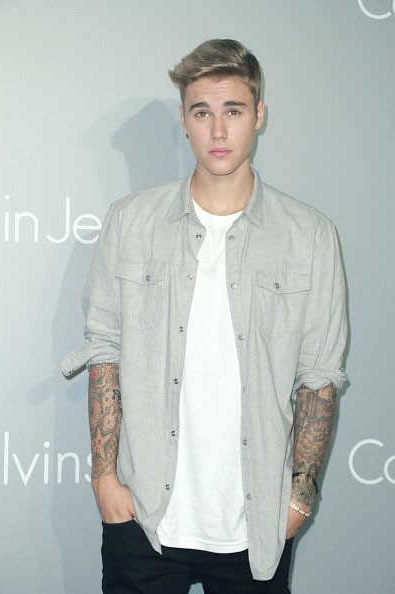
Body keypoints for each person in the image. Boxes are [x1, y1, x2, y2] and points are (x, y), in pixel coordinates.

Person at [62, 39, 347, 594]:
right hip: (143, 518)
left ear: (259, 115)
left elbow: (319, 377)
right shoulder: (130, 222)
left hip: (257, 528)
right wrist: (105, 479)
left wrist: (299, 499)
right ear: (184, 121)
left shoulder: (310, 237)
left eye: (233, 111)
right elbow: (105, 352)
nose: (218, 131)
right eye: (202, 113)